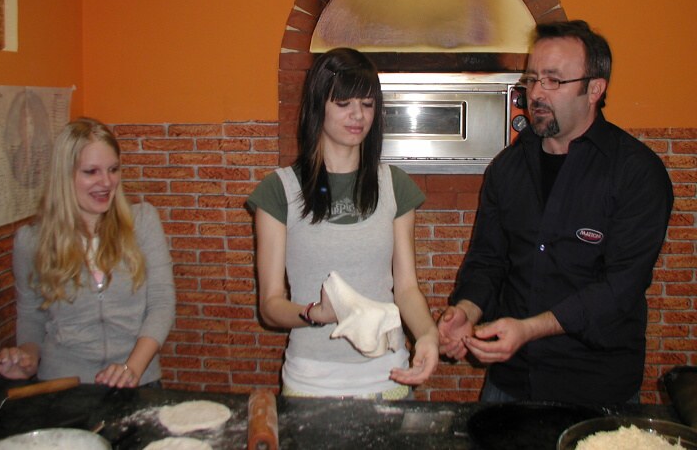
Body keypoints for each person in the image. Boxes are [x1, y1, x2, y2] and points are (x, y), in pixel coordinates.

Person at [438, 20, 673, 405]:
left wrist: (530, 329)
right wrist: (467, 309)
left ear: (594, 89)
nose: (536, 93)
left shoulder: (636, 173)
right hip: (510, 381)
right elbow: (488, 261)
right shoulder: (506, 168)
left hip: (596, 386)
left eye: (553, 80)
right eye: (532, 79)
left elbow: (619, 289)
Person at [247, 47, 439, 399]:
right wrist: (315, 313)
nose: (358, 115)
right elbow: (270, 305)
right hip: (311, 380)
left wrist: (428, 334)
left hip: (388, 375)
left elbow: (406, 288)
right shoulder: (279, 189)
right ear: (318, 105)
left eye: (367, 104)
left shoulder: (393, 185)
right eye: (343, 103)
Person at [0, 117, 175, 388]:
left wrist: (132, 368)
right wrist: (26, 360)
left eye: (113, 169)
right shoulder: (31, 240)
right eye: (91, 171)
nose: (106, 182)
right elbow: (31, 316)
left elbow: (161, 302)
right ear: (64, 176)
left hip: (138, 381)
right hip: (63, 384)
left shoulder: (142, 222)